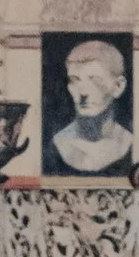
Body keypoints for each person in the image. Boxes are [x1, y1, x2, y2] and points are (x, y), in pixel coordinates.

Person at [51, 37, 133, 175]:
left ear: (118, 86)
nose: (83, 93)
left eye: (95, 80)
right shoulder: (56, 144)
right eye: (74, 80)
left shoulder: (131, 143)